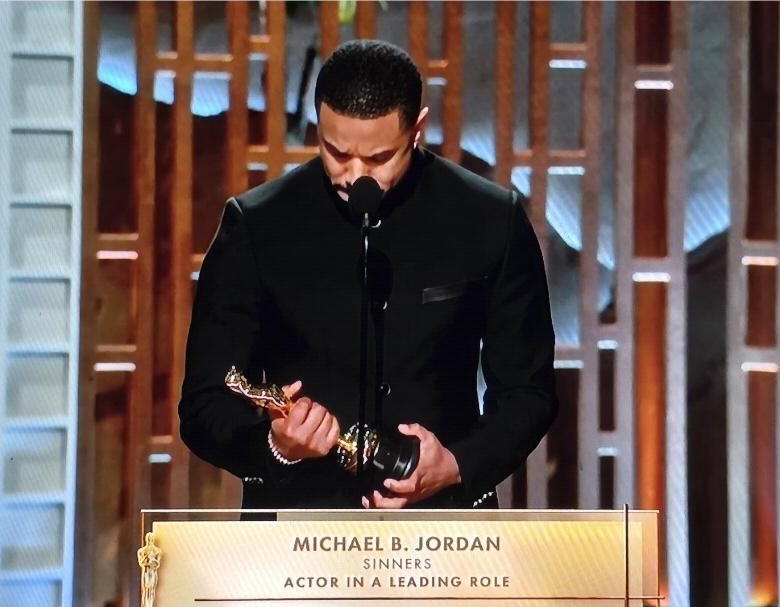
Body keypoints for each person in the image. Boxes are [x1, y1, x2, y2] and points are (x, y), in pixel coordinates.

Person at [179, 39, 555, 509]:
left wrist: (457, 465)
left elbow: (528, 393)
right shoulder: (257, 225)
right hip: (298, 533)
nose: (354, 176)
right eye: (336, 152)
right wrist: (276, 445)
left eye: (379, 159)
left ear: (417, 129)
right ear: (317, 122)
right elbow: (203, 404)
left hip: (443, 526)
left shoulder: (489, 219)